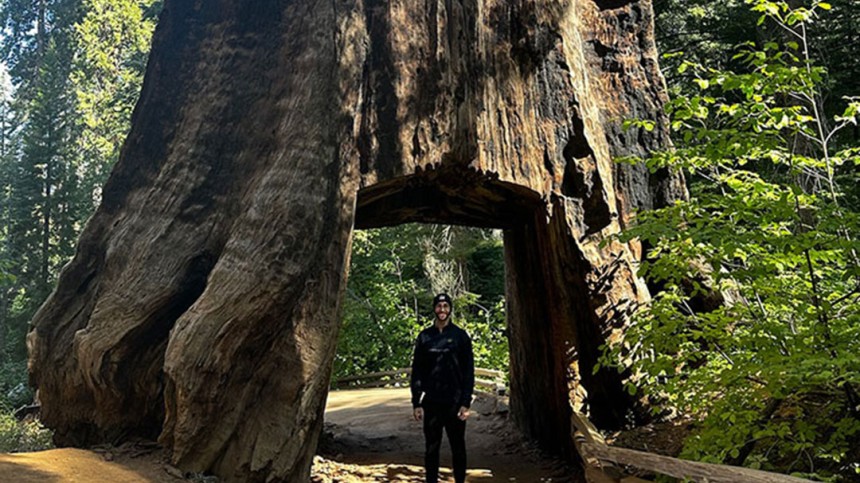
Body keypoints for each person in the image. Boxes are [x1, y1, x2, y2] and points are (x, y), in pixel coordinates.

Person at [410, 293, 475, 483]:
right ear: (434, 309)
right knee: (432, 447)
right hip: (431, 402)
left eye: (446, 306)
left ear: (450, 309)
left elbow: (468, 371)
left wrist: (465, 402)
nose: (442, 310)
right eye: (439, 306)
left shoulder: (460, 336)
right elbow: (417, 371)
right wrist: (416, 402)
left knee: (458, 446)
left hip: (454, 402)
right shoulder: (424, 337)